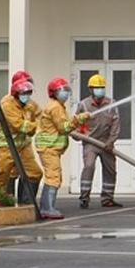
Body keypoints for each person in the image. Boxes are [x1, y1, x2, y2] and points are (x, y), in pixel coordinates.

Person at [35, 77, 90, 219]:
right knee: (53, 177)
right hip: (49, 147)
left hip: (51, 147)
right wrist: (78, 119)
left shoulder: (58, 106)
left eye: (66, 90)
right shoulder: (55, 107)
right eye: (62, 90)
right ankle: (47, 208)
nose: (65, 93)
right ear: (53, 92)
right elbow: (64, 127)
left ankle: (46, 207)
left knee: (54, 176)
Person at [0, 74, 43, 205]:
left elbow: (41, 117)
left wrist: (40, 124)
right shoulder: (7, 104)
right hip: (6, 147)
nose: (27, 95)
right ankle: (0, 204)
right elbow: (20, 125)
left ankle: (26, 204)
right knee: (3, 176)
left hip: (24, 146)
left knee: (34, 173)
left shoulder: (30, 104)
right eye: (25, 91)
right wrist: (36, 126)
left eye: (29, 91)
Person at [76, 74, 122, 208]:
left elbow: (116, 124)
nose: (100, 90)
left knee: (110, 170)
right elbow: (78, 123)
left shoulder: (112, 104)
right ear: (90, 89)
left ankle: (107, 198)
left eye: (101, 88)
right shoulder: (83, 105)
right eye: (97, 88)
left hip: (107, 143)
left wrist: (111, 141)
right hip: (91, 142)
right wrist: (78, 134)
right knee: (89, 166)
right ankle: (84, 198)